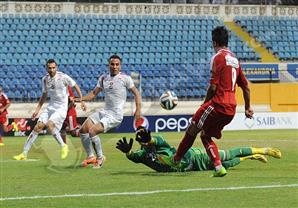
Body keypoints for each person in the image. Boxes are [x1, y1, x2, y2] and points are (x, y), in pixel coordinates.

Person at [159, 26, 254, 177]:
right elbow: (246, 87)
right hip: (231, 109)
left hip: (217, 104)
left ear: (214, 42)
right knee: (205, 135)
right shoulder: (235, 60)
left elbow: (213, 87)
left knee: (192, 129)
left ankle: (175, 160)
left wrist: (204, 104)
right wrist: (248, 107)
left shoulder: (217, 57)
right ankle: (218, 168)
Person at [116, 127, 282, 172]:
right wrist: (127, 151)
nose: (143, 141)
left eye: (145, 137)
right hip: (194, 168)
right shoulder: (144, 155)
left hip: (195, 157)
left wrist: (150, 139)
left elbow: (158, 141)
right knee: (226, 166)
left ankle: (264, 149)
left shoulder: (159, 142)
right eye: (141, 139)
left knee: (228, 154)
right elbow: (134, 157)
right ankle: (250, 157)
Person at [13, 59, 86, 161]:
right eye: (49, 68)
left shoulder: (63, 77)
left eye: (53, 67)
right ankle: (24, 153)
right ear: (46, 68)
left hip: (61, 109)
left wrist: (81, 100)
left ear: (56, 67)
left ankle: (63, 146)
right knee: (38, 127)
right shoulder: (45, 79)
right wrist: (37, 110)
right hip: (50, 107)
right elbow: (44, 95)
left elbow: (75, 85)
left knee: (50, 125)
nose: (51, 70)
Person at [78, 54, 141, 169]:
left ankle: (100, 158)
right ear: (109, 65)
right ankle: (91, 157)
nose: (114, 66)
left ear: (120, 66)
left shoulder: (125, 78)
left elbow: (136, 93)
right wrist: (80, 99)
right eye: (112, 64)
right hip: (105, 111)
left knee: (92, 132)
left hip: (115, 115)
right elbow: (93, 94)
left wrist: (138, 110)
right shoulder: (103, 78)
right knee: (83, 130)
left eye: (117, 64)